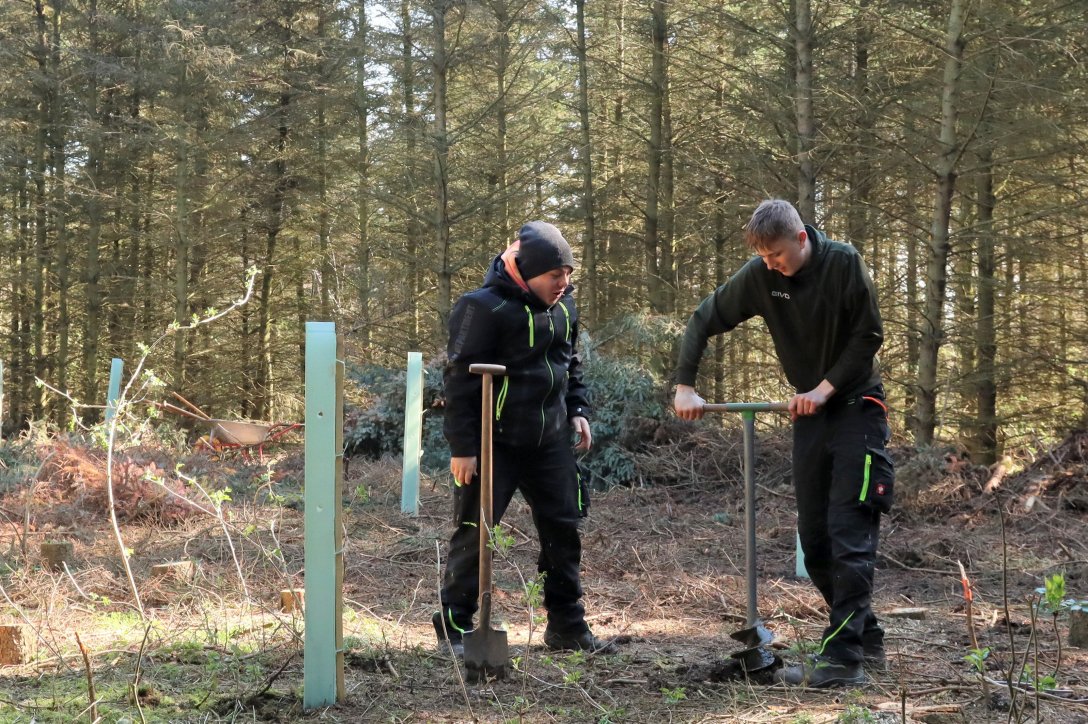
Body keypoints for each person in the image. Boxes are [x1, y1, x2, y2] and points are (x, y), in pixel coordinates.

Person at [673, 199, 894, 688]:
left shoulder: (843, 263)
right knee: (815, 542)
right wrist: (685, 384)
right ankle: (866, 637)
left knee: (848, 533)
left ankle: (842, 661)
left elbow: (868, 336)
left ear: (800, 238)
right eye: (764, 257)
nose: (771, 264)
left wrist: (823, 389)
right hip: (810, 419)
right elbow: (703, 318)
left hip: (858, 409)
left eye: (776, 255)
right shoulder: (761, 276)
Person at [434, 221, 616, 657]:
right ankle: (456, 626)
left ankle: (566, 625)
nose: (564, 283)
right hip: (493, 443)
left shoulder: (565, 306)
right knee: (476, 531)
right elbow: (459, 380)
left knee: (563, 528)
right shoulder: (482, 308)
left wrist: (577, 411)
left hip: (550, 441)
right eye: (556, 275)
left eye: (569, 274)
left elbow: (570, 364)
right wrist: (463, 447)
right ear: (528, 270)